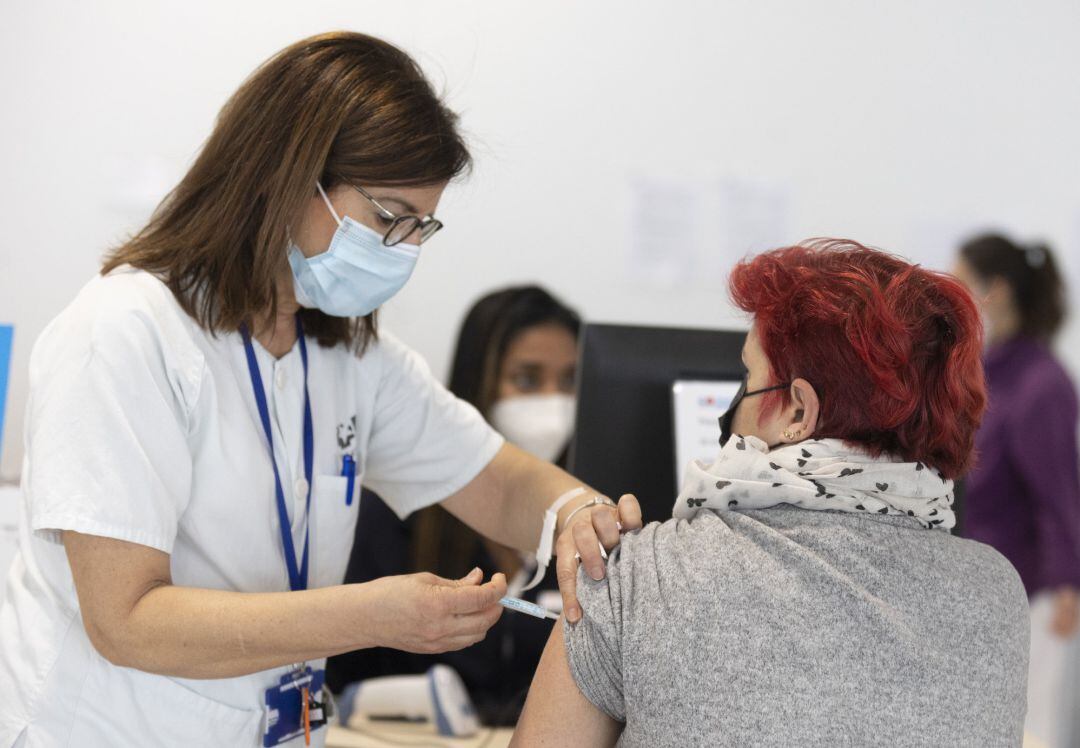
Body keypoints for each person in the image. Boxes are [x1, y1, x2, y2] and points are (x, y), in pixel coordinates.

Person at [0, 33, 639, 747]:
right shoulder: (123, 335)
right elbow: (125, 621)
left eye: (420, 228)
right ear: (290, 176)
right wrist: (371, 615)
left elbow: (493, 480)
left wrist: (573, 514)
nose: (401, 252)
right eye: (388, 219)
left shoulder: (346, 354)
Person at [513, 240, 1030, 747]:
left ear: (798, 414)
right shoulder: (997, 594)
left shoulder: (639, 578)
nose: (734, 404)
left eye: (748, 376)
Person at [326, 285, 581, 724]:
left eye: (570, 381)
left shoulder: (586, 521)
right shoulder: (390, 518)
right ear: (477, 381)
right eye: (527, 379)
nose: (552, 401)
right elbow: (340, 681)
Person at [953, 234, 1080, 747]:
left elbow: (1059, 494)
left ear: (996, 291)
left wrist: (1067, 586)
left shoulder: (1040, 383)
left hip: (1035, 597)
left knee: (1034, 733)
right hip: (985, 594)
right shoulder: (982, 373)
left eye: (961, 285)